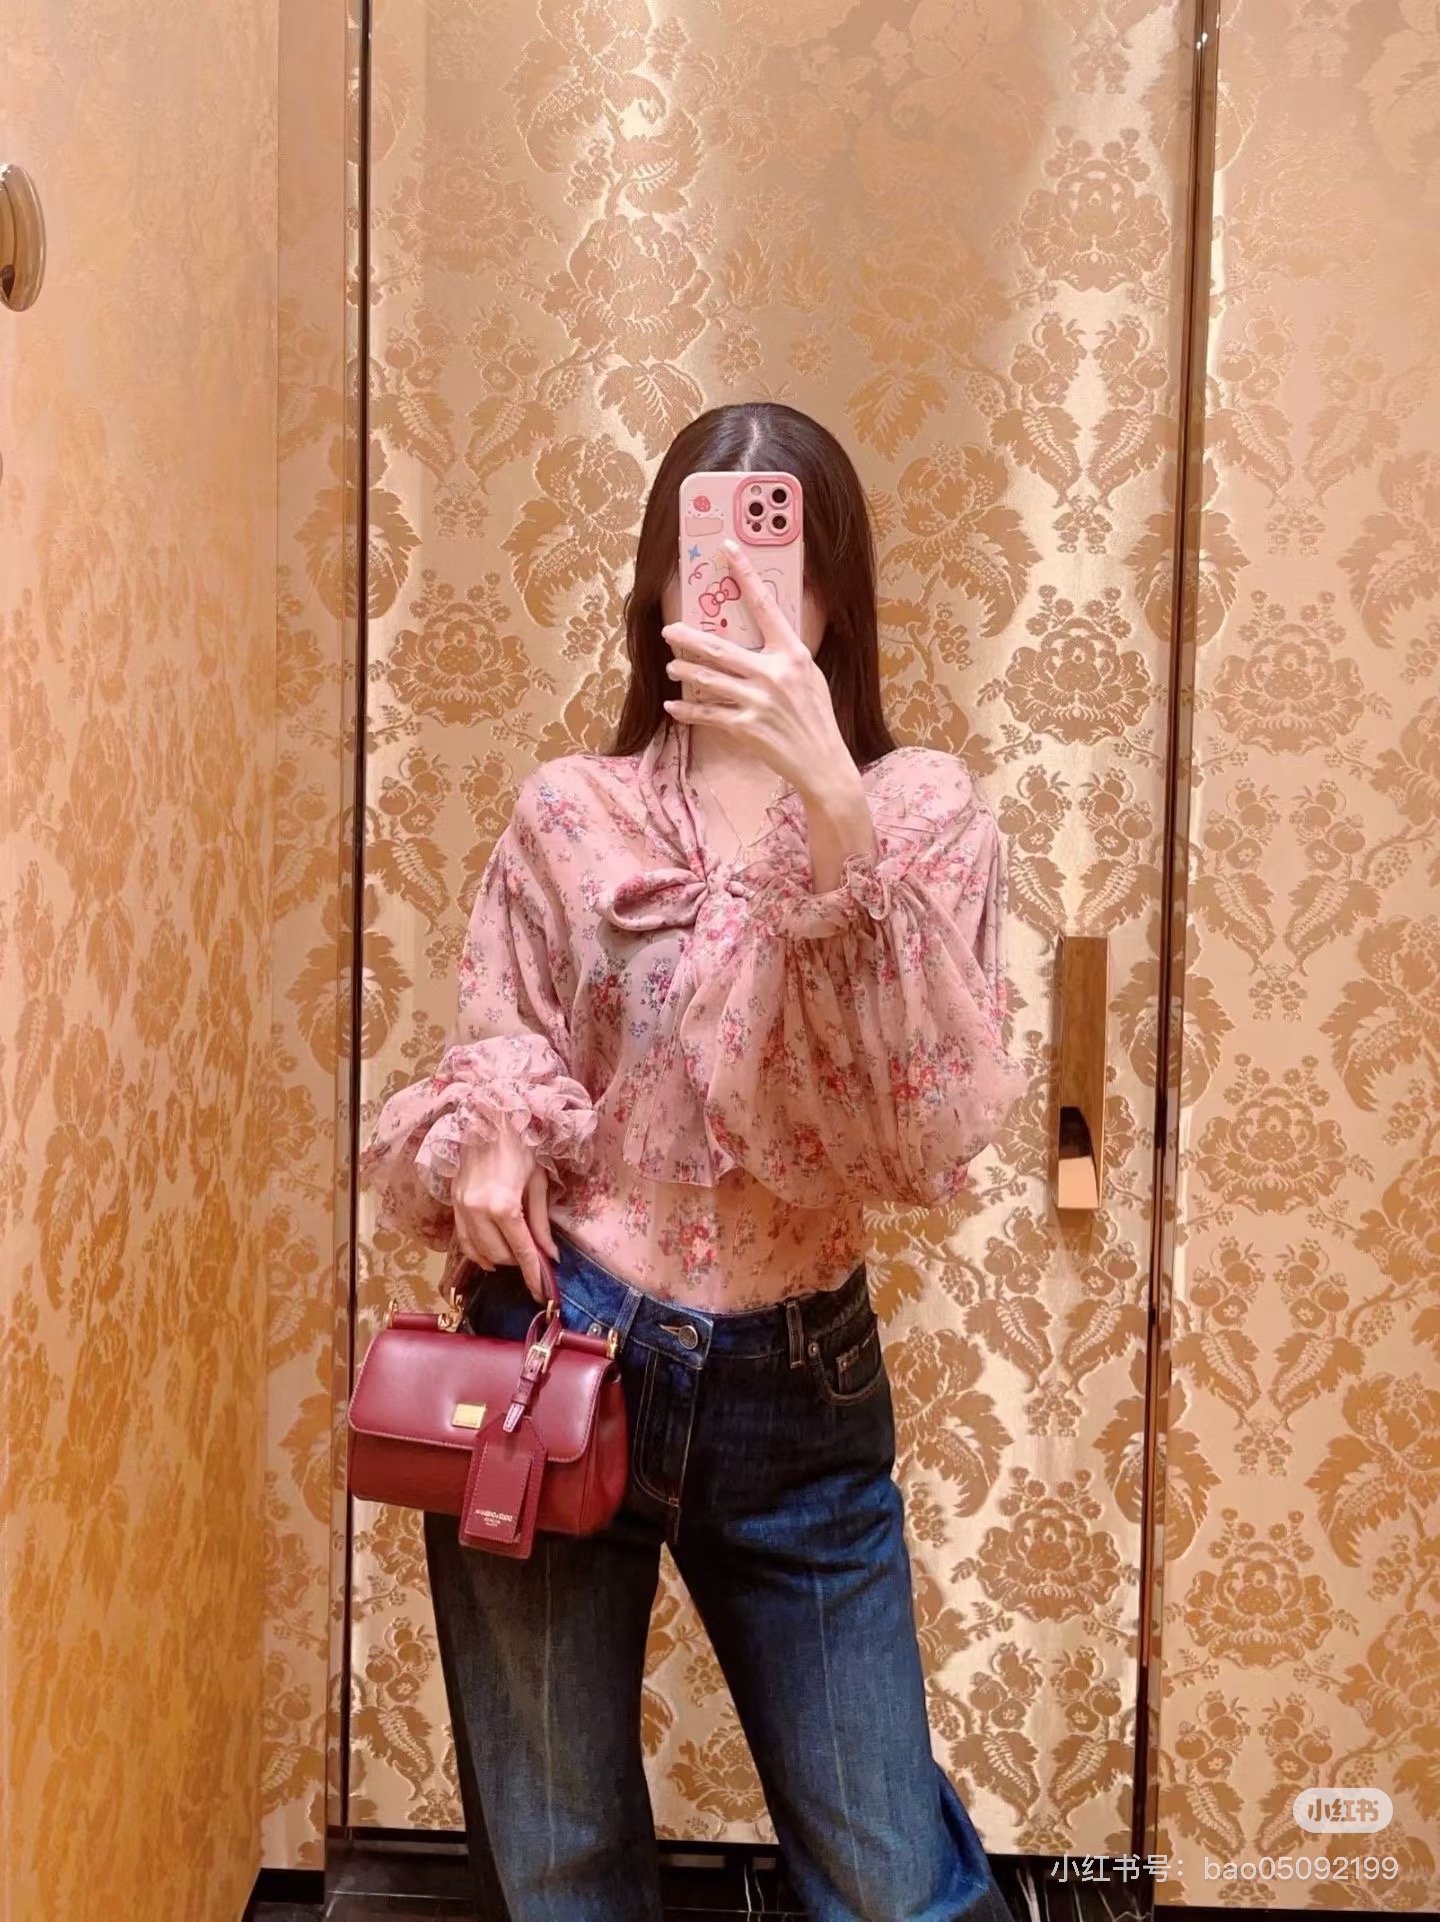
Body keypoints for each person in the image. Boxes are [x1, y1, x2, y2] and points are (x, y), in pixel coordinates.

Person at [360, 402, 1031, 1922]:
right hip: (562, 1349)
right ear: (658, 586)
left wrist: (833, 808)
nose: (733, 586)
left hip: (802, 1389)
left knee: (890, 1884)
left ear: (832, 589)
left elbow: (923, 1126)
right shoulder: (573, 811)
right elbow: (503, 1033)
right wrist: (494, 1136)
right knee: (562, 1868)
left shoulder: (922, 814)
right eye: (698, 550)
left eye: (776, 547)